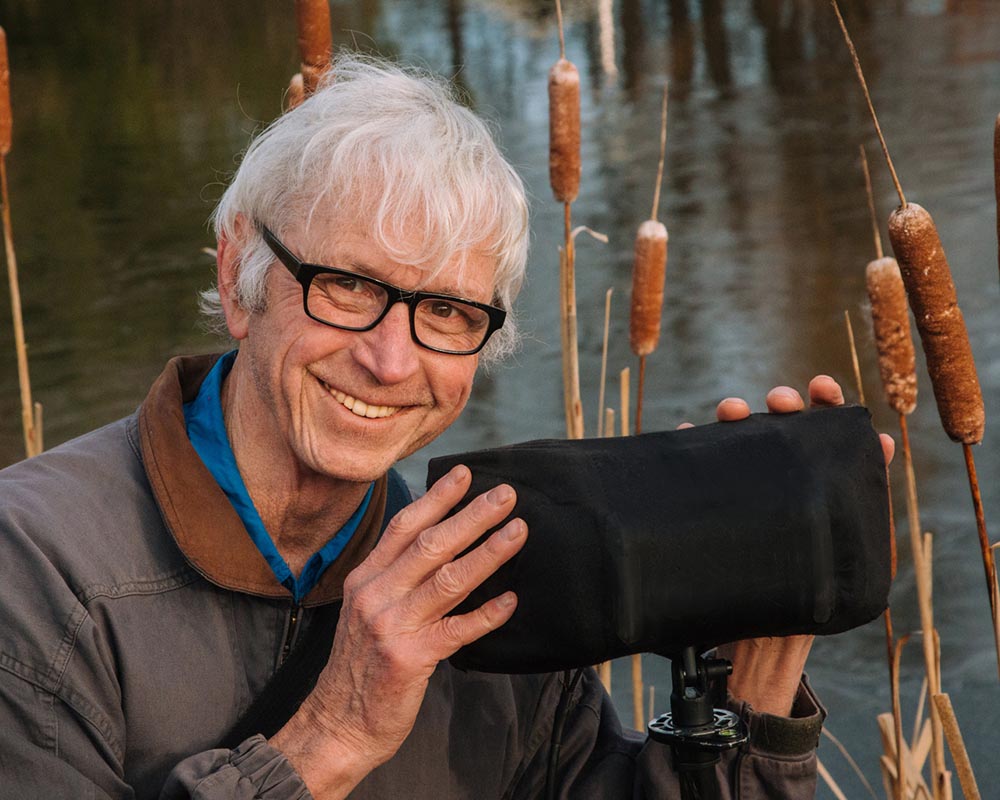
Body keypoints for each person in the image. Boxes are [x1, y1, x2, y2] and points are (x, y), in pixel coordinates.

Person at [0, 55, 892, 799]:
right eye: (346, 286)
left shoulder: (488, 577)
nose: (392, 361)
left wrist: (749, 695)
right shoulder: (36, 567)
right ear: (242, 274)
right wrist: (330, 736)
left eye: (447, 312)